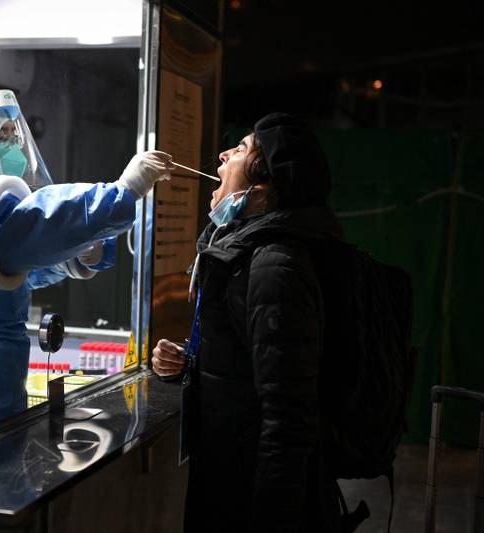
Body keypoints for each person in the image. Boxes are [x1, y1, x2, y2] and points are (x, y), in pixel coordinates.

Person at [0, 81, 174, 432]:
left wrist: (79, 251)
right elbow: (15, 232)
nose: (14, 147)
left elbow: (15, 266)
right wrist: (117, 195)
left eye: (12, 134)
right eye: (1, 136)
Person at [152, 113, 343, 532]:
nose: (222, 154)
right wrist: (191, 362)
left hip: (249, 497)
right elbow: (252, 367)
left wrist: (271, 519)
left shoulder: (276, 265)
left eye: (239, 149)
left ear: (263, 186)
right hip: (226, 478)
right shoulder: (242, 254)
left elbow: (289, 416)